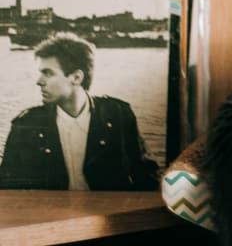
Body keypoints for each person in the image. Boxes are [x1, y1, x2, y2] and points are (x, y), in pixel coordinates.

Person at [0, 32, 159, 190]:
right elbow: (8, 188)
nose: (39, 81)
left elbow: (146, 176)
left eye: (48, 73)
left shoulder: (118, 115)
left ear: (76, 78)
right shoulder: (26, 124)